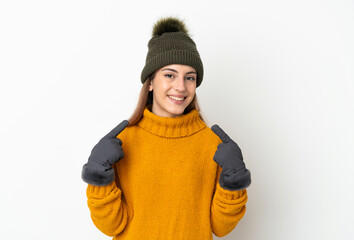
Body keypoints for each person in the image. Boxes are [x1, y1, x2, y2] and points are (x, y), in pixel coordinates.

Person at [81, 17, 251, 239]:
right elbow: (111, 226)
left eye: (190, 77)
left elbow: (220, 227)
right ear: (150, 82)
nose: (180, 87)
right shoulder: (122, 143)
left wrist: (233, 183)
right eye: (169, 75)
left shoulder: (213, 146)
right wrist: (98, 177)